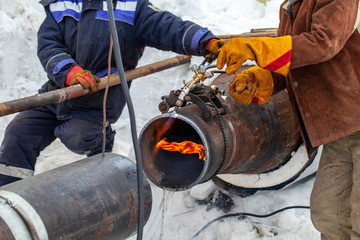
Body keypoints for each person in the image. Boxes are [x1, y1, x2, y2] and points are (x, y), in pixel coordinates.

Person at [0, 0, 223, 186]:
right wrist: (69, 71)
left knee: (77, 136)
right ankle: (8, 197)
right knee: (18, 133)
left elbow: (167, 26)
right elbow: (49, 44)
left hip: (99, 98)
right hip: (59, 91)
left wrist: (205, 41)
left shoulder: (130, 6)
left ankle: (102, 142)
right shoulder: (63, 3)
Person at [216, 0, 360, 238]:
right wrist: (264, 79)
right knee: (329, 216)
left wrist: (256, 48)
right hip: (341, 129)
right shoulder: (292, 5)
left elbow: (324, 42)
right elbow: (296, 60)